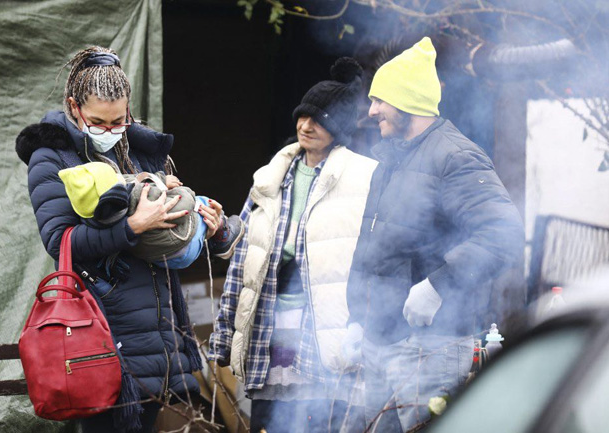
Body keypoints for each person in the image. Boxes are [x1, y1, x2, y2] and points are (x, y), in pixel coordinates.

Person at [15, 46, 231, 433]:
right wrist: (133, 226)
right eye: (99, 121)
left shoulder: (142, 151)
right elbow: (61, 242)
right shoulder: (51, 156)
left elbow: (166, 244)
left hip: (153, 333)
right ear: (73, 107)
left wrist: (202, 228)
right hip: (96, 333)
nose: (111, 131)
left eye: (120, 120)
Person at [341, 37, 525, 432]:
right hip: (380, 343)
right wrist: (358, 319)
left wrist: (437, 286)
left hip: (430, 348)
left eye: (380, 101)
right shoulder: (390, 158)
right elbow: (375, 247)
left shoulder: (454, 157)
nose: (372, 111)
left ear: (408, 103)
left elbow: (503, 233)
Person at [209, 58, 378, 433]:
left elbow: (375, 260)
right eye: (302, 116)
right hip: (270, 321)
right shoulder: (272, 175)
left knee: (319, 419)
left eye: (318, 120)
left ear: (340, 127)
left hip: (322, 328)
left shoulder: (363, 177)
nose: (305, 125)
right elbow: (243, 259)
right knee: (269, 421)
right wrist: (224, 335)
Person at [57, 162, 244, 270]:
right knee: (202, 202)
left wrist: (159, 179)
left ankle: (210, 237)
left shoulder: (93, 217)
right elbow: (182, 204)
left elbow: (130, 178)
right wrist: (186, 192)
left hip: (160, 259)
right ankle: (222, 234)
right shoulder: (140, 197)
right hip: (184, 250)